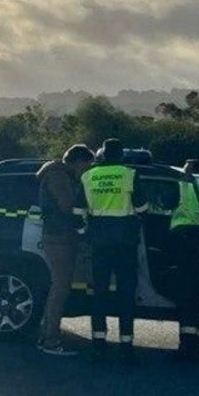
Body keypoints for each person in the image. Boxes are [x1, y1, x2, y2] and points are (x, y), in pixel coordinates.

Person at [81, 138, 146, 359]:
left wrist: (84, 233)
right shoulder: (130, 174)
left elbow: (78, 211)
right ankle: (126, 346)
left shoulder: (88, 176)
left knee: (99, 293)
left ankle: (98, 343)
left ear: (102, 154)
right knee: (126, 294)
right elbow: (142, 207)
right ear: (121, 155)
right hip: (125, 243)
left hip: (99, 243)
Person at [35, 145, 96, 356]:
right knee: (60, 289)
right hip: (59, 238)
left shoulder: (61, 174)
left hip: (61, 237)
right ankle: (50, 340)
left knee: (60, 288)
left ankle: (47, 335)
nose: (87, 170)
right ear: (77, 162)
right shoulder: (58, 177)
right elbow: (67, 205)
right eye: (86, 165)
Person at [170, 159, 199, 362]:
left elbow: (170, 201)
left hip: (185, 239)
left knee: (186, 295)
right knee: (196, 296)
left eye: (187, 168)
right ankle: (195, 345)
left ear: (193, 172)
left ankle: (185, 349)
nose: (183, 171)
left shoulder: (186, 186)